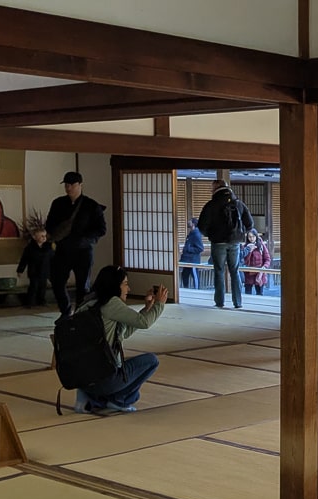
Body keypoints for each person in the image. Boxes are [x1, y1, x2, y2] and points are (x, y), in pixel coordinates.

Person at [73, 265, 167, 414]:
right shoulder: (112, 303)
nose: (128, 289)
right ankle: (119, 401)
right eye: (125, 284)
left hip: (80, 378)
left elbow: (124, 333)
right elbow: (144, 323)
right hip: (104, 378)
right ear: (114, 285)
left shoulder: (87, 302)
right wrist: (159, 305)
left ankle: (88, 397)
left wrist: (147, 308)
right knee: (151, 361)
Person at [45, 171, 107, 320]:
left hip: (83, 251)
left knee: (82, 287)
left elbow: (101, 229)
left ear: (80, 185)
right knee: (57, 281)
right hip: (62, 250)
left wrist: (85, 239)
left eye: (72, 185)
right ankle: (65, 311)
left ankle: (80, 315)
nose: (69, 188)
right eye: (66, 185)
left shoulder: (91, 205)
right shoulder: (58, 203)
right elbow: (49, 224)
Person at [197, 179, 253, 309]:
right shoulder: (239, 203)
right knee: (235, 271)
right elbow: (250, 224)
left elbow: (201, 226)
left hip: (218, 243)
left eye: (212, 188)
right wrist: (239, 233)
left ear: (216, 188)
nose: (211, 190)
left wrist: (211, 234)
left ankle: (220, 302)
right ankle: (238, 302)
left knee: (219, 271)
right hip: (235, 243)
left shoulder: (211, 205)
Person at [16, 228, 53, 307]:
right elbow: (24, 259)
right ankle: (30, 302)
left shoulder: (48, 247)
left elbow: (52, 258)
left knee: (43, 287)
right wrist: (20, 270)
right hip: (34, 271)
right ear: (34, 237)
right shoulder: (29, 248)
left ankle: (41, 301)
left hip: (44, 270)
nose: (44, 238)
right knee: (34, 287)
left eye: (45, 236)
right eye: (41, 236)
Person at [239, 228, 271, 295]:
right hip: (248, 274)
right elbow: (243, 261)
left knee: (260, 294)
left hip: (259, 273)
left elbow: (267, 259)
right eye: (249, 237)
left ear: (256, 236)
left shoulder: (261, 246)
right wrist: (249, 250)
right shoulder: (245, 247)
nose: (251, 238)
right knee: (248, 294)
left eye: (253, 236)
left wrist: (264, 268)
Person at [179, 219, 204, 289]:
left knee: (195, 275)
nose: (187, 222)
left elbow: (200, 248)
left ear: (193, 224)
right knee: (184, 275)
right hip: (186, 260)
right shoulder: (191, 234)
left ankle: (197, 291)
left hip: (193, 260)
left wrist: (188, 249)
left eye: (189, 221)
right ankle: (185, 289)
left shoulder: (196, 234)